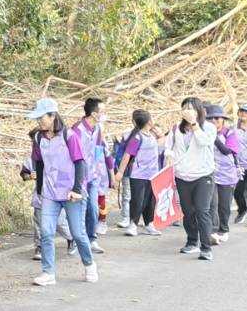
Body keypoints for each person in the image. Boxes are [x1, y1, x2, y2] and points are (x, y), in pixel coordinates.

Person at [25, 97, 98, 286]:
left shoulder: (70, 135)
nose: (39, 121)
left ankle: (89, 265)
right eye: (38, 118)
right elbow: (39, 163)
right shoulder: (38, 137)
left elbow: (80, 163)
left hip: (71, 193)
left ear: (53, 116)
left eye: (42, 117)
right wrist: (40, 189)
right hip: (50, 192)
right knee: (47, 232)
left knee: (78, 233)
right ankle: (48, 272)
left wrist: (76, 189)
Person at [164, 97, 217, 260]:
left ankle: (206, 248)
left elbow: (203, 142)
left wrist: (194, 123)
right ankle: (192, 241)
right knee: (188, 212)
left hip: (203, 175)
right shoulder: (176, 129)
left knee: (202, 211)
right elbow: (168, 147)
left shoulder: (208, 127)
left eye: (191, 108)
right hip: (182, 175)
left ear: (199, 110)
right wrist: (169, 156)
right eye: (185, 108)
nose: (187, 111)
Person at [112, 110, 158, 236]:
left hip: (152, 175)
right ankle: (133, 224)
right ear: (149, 121)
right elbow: (127, 155)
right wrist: (120, 172)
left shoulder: (151, 135)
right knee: (138, 199)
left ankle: (149, 224)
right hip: (138, 174)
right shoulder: (137, 137)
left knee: (150, 200)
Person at [74, 96, 109, 255]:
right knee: (80, 210)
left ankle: (92, 238)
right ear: (94, 114)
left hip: (93, 175)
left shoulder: (98, 129)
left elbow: (99, 151)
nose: (105, 114)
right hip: (80, 177)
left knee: (93, 208)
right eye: (103, 111)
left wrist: (105, 174)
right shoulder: (77, 130)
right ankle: (76, 239)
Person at [209, 105, 240, 242]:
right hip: (210, 173)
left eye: (217, 118)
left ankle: (224, 229)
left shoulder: (229, 133)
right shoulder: (205, 132)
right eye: (211, 118)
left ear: (223, 119)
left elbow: (227, 151)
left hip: (227, 174)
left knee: (224, 204)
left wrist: (214, 138)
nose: (214, 121)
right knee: (212, 203)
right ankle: (213, 231)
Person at [235, 103, 247, 226]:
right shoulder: (234, 128)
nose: (243, 114)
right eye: (241, 111)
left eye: (246, 112)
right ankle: (242, 210)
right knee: (237, 192)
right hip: (238, 166)